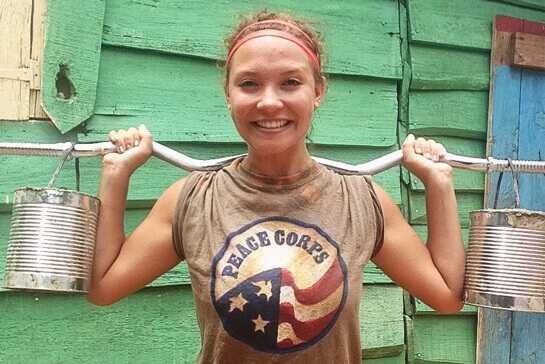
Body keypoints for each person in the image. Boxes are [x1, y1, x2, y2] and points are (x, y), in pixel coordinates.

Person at [86, 10, 465, 363]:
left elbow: (447, 295)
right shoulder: (192, 200)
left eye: (290, 83)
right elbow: (104, 286)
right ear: (228, 94)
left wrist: (438, 183)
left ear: (318, 91)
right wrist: (116, 175)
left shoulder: (362, 201)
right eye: (249, 84)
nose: (269, 102)